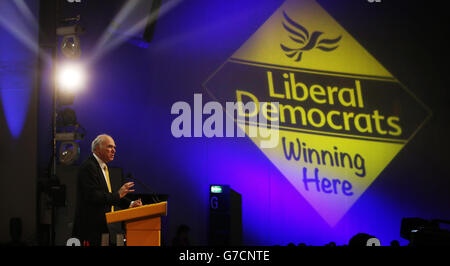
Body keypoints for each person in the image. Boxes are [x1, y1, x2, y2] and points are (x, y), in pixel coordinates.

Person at [72, 134, 142, 246]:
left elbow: (109, 195)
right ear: (97, 148)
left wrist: (131, 203)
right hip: (89, 230)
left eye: (114, 147)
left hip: (101, 228)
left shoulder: (103, 167)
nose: (113, 150)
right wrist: (118, 194)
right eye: (109, 147)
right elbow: (94, 196)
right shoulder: (89, 167)